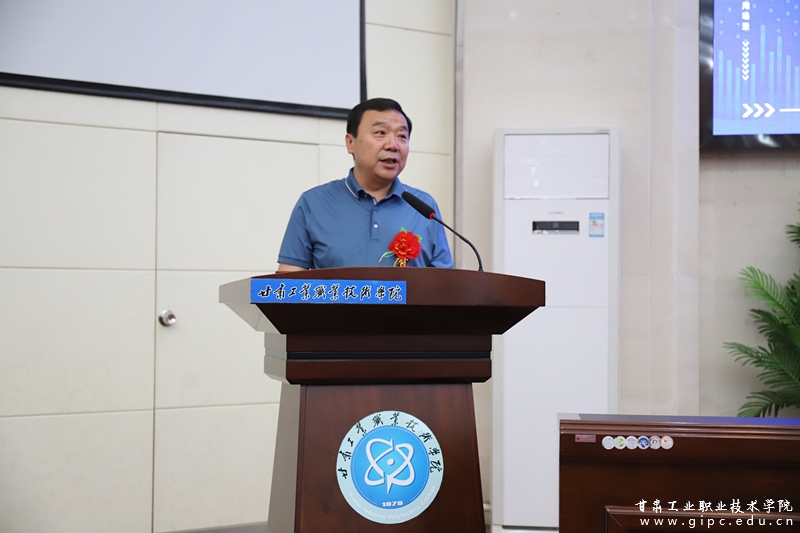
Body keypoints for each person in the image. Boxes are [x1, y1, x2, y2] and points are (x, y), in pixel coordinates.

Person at [277, 98, 453, 271]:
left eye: (402, 136)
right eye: (380, 133)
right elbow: (287, 282)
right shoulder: (313, 203)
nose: (393, 145)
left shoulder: (424, 207)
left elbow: (445, 283)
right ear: (350, 143)